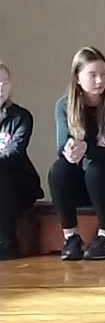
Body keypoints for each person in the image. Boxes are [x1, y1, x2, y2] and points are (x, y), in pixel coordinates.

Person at [49, 47, 105, 260]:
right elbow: (61, 147)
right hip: (84, 185)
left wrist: (86, 149)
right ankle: (71, 237)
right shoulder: (64, 105)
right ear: (77, 77)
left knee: (96, 168)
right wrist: (69, 151)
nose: (100, 81)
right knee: (58, 170)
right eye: (93, 75)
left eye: (104, 74)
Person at [0, 63, 42, 260]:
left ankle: (6, 243)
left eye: (5, 82)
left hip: (18, 184)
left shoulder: (21, 117)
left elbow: (14, 152)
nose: (1, 87)